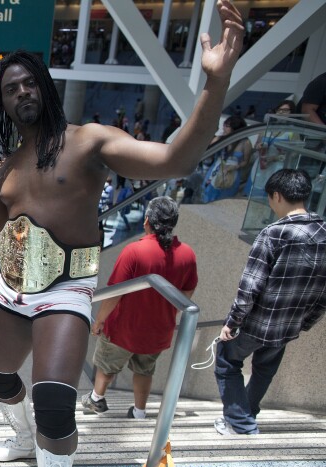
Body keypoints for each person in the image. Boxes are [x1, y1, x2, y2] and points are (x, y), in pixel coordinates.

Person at [0, 3, 242, 467]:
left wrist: (214, 86)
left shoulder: (89, 142)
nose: (21, 93)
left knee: (56, 401)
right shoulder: (5, 169)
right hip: (12, 288)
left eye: (28, 82)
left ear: (44, 86)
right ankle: (19, 439)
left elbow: (173, 159)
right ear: (3, 104)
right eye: (9, 89)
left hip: (67, 288)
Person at [214, 169, 326, 435]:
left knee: (226, 360)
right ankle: (246, 414)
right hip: (289, 325)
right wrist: (305, 322)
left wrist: (232, 322)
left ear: (276, 195)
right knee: (264, 370)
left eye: (269, 198)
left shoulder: (274, 233)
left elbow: (249, 286)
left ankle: (241, 424)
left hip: (257, 323)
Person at [82, 197, 197, 419]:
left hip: (123, 327)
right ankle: (139, 412)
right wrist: (167, 312)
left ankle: (96, 399)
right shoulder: (187, 254)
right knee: (145, 371)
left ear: (147, 221)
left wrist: (99, 321)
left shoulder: (134, 251)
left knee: (106, 366)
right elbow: (187, 293)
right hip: (158, 330)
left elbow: (115, 292)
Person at [202, 115, 252, 203]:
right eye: (224, 124)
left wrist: (235, 166)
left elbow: (246, 161)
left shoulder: (245, 142)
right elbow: (207, 152)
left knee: (224, 200)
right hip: (215, 170)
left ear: (235, 128)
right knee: (208, 196)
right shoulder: (219, 138)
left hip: (232, 174)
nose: (223, 127)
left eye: (227, 126)